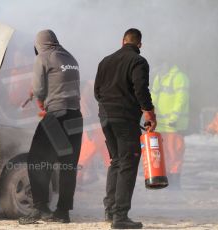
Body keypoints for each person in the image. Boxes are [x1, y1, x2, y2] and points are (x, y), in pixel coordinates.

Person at [94, 28, 156, 229]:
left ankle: (110, 211)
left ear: (122, 41)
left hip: (105, 117)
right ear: (139, 45)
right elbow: (140, 89)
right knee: (128, 163)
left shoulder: (105, 61)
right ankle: (120, 217)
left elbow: (96, 92)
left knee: (117, 162)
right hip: (124, 119)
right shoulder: (138, 61)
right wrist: (149, 112)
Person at [19, 29, 82, 224]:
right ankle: (63, 212)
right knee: (67, 165)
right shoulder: (70, 57)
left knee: (37, 159)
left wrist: (39, 98)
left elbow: (39, 90)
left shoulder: (43, 58)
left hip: (57, 115)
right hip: (75, 116)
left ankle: (40, 208)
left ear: (39, 45)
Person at [151, 64, 189, 189]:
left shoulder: (179, 78)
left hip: (174, 126)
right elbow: (153, 98)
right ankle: (168, 183)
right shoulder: (160, 77)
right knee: (164, 155)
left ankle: (175, 184)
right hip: (160, 126)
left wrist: (174, 118)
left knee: (175, 154)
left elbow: (181, 100)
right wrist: (149, 115)